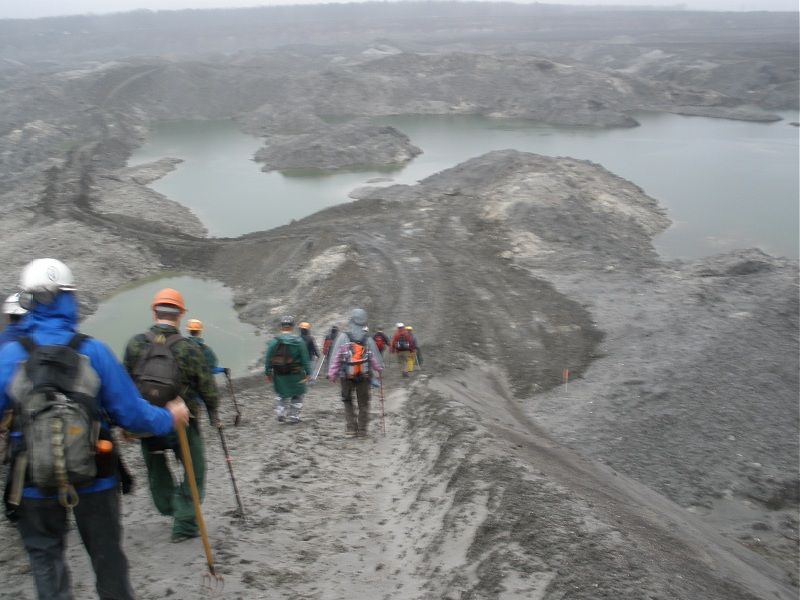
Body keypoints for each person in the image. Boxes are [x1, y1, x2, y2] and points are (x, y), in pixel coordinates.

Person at [0, 258, 189, 600]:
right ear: (69, 299)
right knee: (108, 560)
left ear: (27, 300)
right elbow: (133, 416)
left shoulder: (9, 356)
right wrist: (169, 417)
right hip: (96, 476)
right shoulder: (94, 352)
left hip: (30, 482)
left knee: (46, 561)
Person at [124, 287, 220, 543]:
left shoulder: (135, 344)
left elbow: (125, 385)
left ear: (154, 311)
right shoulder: (189, 348)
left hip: (147, 422)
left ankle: (167, 505)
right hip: (183, 422)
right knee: (193, 471)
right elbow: (207, 386)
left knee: (156, 469)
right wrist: (213, 414)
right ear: (180, 315)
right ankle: (185, 523)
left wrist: (126, 422)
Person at [327, 308, 384, 437]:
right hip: (364, 376)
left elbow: (335, 357)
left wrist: (332, 374)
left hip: (346, 376)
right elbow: (375, 358)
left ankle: (351, 428)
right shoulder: (368, 339)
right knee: (363, 402)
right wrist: (379, 369)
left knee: (347, 401)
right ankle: (363, 430)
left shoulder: (343, 337)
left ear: (351, 320)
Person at [264, 315, 311, 424]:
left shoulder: (274, 341)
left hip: (279, 374)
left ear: (281, 327)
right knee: (297, 394)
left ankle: (281, 413)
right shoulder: (299, 341)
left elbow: (268, 358)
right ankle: (294, 416)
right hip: (296, 374)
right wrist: (308, 373)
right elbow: (305, 359)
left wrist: (268, 372)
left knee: (281, 393)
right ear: (292, 327)